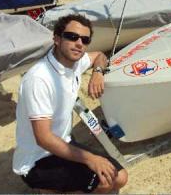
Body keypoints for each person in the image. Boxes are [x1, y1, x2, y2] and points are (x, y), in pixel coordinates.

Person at [13, 14, 128, 193]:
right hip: (37, 160)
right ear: (57, 39)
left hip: (64, 143)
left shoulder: (76, 62)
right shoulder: (39, 79)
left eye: (85, 39)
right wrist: (90, 159)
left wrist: (97, 72)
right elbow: (43, 139)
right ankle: (48, 188)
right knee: (105, 182)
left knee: (120, 177)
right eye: (72, 37)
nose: (79, 43)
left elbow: (100, 56)